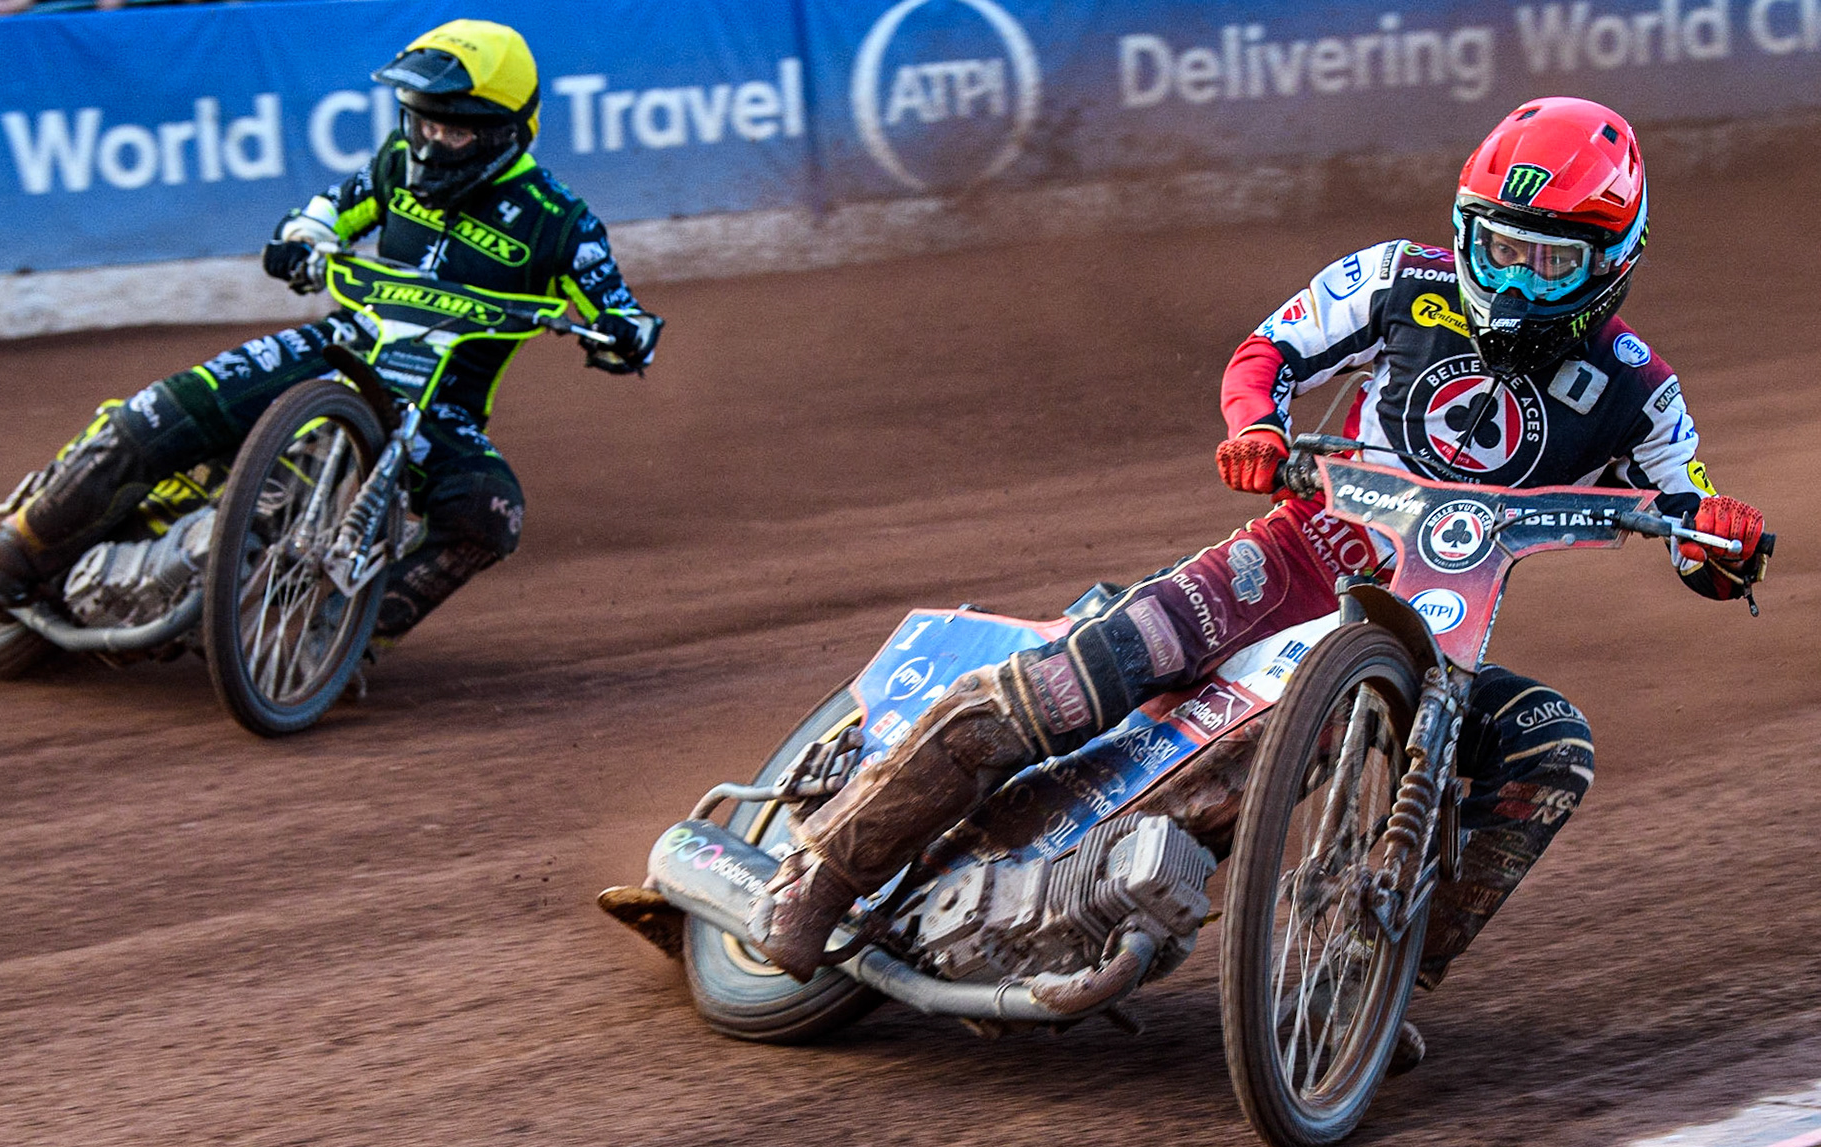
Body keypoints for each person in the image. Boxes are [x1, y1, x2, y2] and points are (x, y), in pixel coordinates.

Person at [751, 98, 1768, 1060]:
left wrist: (1724, 541)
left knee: (1554, 747)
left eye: (1550, 263)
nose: (1515, 281)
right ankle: (822, 869)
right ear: (1466, 228)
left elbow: (1697, 526)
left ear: (1612, 264)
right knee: (1073, 682)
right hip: (1294, 556)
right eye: (1500, 249)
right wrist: (1258, 426)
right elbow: (1269, 350)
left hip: (1441, 630)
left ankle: (1373, 979)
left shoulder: (1641, 390)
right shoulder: (1393, 278)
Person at [0, 19, 662, 645]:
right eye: (421, 121)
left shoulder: (560, 221)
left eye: (454, 128)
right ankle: (19, 555)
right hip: (337, 350)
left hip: (438, 408)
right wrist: (302, 239)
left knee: (490, 510)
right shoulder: (394, 164)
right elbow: (328, 210)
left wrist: (626, 336)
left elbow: (619, 308)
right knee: (162, 412)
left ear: (508, 128)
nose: (431, 142)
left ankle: (347, 633)